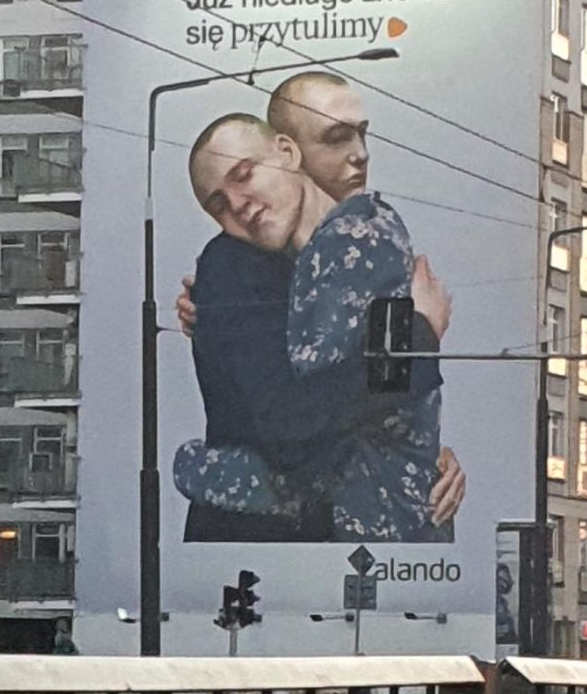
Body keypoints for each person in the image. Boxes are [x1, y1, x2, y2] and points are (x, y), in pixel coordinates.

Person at [176, 74, 466, 540]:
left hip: (325, 546)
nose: (238, 205)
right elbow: (293, 428)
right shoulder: (232, 264)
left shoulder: (359, 242)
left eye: (244, 175)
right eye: (218, 205)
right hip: (258, 549)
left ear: (287, 154)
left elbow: (372, 401)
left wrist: (421, 458)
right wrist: (420, 334)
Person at [36, 626, 79, 694]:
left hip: (64, 680)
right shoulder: (55, 647)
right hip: (57, 680)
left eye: (64, 631)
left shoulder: (66, 646)